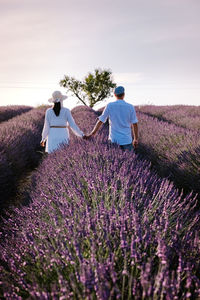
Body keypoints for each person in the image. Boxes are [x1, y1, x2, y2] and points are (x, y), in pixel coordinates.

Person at [86, 86, 138, 151]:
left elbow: (101, 120)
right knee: (130, 160)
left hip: (114, 140)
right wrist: (135, 139)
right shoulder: (130, 107)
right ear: (124, 94)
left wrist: (92, 133)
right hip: (126, 140)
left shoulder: (110, 105)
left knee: (113, 160)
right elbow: (134, 124)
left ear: (115, 95)